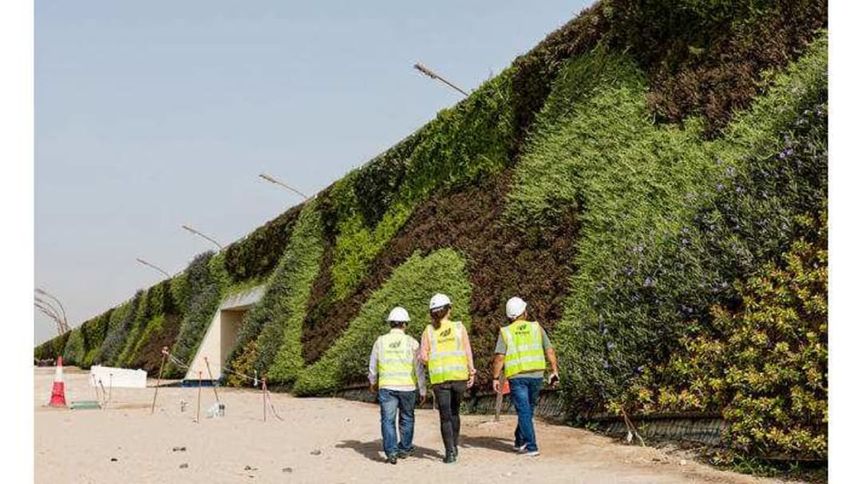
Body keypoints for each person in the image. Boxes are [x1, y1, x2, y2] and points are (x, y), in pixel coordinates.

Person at [491, 297, 559, 457]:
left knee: (524, 411)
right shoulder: (536, 328)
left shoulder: (506, 332)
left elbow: (500, 357)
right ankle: (522, 441)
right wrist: (554, 370)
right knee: (527, 409)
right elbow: (549, 350)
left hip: (517, 376)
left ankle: (530, 445)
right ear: (524, 312)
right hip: (536, 375)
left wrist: (495, 377)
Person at [419, 293, 476, 464]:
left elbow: (423, 357)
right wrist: (471, 371)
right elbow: (467, 351)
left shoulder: (428, 331)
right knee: (455, 413)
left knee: (445, 417)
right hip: (459, 377)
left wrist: (435, 360)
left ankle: (449, 451)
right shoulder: (459, 327)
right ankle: (455, 445)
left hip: (440, 380)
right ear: (448, 309)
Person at [368, 306, 427, 465]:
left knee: (387, 420)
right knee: (407, 418)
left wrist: (373, 382)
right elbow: (419, 368)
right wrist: (423, 389)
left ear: (390, 323)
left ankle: (391, 452)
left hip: (387, 386)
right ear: (405, 324)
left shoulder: (380, 341)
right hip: (407, 387)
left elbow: (373, 365)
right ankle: (405, 448)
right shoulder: (412, 342)